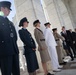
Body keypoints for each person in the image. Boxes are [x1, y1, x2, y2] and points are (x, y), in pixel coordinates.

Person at [0, 1, 20, 75]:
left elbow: (15, 36)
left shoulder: (10, 22)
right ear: (2, 8)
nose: (9, 11)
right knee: (7, 72)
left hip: (13, 50)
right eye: (8, 9)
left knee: (16, 72)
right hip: (4, 52)